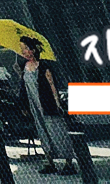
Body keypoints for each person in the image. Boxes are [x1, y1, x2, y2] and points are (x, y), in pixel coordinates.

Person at [16, 36, 76, 175]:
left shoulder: (43, 66)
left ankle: (68, 163)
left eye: (25, 48)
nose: (23, 51)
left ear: (33, 50)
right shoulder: (24, 67)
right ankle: (50, 162)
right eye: (22, 49)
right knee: (43, 133)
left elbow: (52, 85)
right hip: (35, 107)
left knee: (57, 132)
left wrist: (57, 104)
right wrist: (23, 105)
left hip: (47, 105)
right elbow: (24, 88)